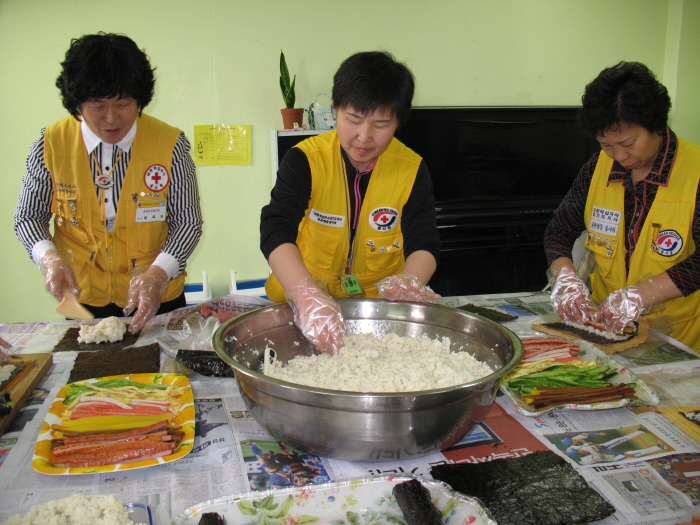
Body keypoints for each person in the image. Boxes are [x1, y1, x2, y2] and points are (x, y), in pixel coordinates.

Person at [14, 33, 203, 333]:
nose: (111, 118)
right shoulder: (50, 143)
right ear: (76, 102)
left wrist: (157, 275)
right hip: (83, 297)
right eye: (97, 104)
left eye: (123, 103)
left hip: (157, 292)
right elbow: (27, 218)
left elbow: (188, 223)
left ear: (139, 99)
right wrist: (48, 258)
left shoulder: (170, 144)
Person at [260, 51, 441, 353]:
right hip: (299, 306)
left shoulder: (411, 168)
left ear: (399, 122)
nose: (363, 137)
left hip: (375, 314)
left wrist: (410, 281)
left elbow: (425, 240)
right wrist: (307, 296)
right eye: (353, 120)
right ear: (336, 111)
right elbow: (276, 228)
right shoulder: (304, 159)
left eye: (381, 125)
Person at [544, 61, 700, 349]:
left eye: (628, 143)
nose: (619, 156)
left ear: (657, 125)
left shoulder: (696, 170)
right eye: (606, 145)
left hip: (677, 339)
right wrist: (565, 277)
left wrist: (642, 294)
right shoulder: (598, 167)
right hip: (606, 327)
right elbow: (559, 231)